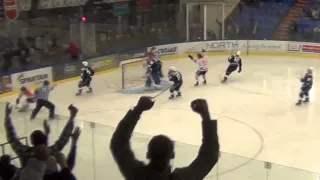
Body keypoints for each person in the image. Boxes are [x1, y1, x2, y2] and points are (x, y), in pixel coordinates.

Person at [110, 96, 219, 180]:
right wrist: (205, 115)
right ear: (172, 155)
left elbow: (118, 142)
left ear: (148, 154)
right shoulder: (181, 179)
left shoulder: (137, 174)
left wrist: (137, 110)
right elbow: (209, 156)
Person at [5, 103, 77, 168]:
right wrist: (71, 118)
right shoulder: (51, 152)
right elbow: (63, 139)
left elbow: (12, 137)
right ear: (44, 140)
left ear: (32, 142)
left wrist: (7, 116)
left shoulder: (25, 152)